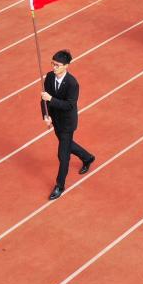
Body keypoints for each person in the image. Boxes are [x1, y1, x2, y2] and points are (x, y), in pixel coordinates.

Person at [41, 49, 96, 201]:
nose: (54, 67)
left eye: (57, 65)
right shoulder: (49, 77)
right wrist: (46, 115)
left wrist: (51, 99)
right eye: (53, 64)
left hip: (67, 123)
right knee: (67, 144)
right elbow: (43, 100)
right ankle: (87, 158)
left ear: (66, 66)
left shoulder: (72, 83)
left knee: (63, 155)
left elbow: (69, 105)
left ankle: (60, 185)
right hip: (56, 120)